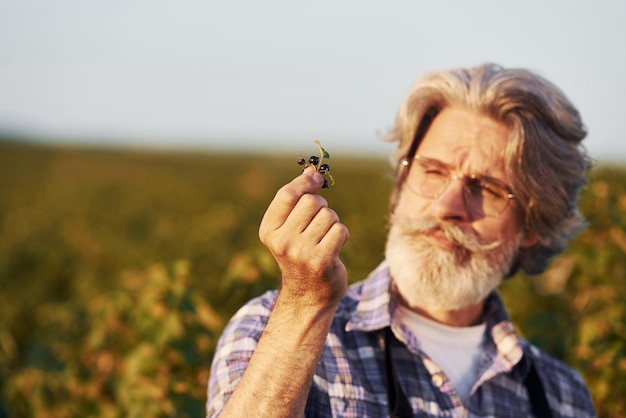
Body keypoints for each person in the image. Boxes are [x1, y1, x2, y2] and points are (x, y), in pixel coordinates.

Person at [206, 63, 597, 417]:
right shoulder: (272, 334)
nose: (447, 205)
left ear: (533, 225)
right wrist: (305, 304)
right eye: (432, 170)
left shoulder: (562, 397)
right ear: (401, 181)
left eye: (488, 188)